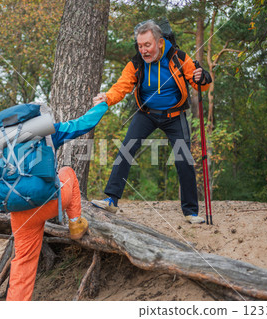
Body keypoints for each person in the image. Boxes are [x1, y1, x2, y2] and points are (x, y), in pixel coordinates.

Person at [90, 20, 211, 224]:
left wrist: (203, 77)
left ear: (160, 42)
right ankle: (111, 199)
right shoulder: (136, 63)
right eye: (140, 45)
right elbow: (122, 86)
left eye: (147, 45)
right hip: (147, 113)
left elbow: (199, 83)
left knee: (184, 159)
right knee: (126, 149)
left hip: (174, 115)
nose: (144, 50)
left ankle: (191, 212)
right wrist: (107, 98)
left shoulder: (179, 57)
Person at [7, 101, 108, 301]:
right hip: (47, 202)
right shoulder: (51, 132)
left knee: (23, 262)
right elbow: (84, 123)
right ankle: (76, 225)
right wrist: (102, 104)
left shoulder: (6, 138)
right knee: (67, 171)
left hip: (18, 210)